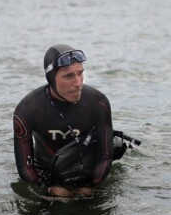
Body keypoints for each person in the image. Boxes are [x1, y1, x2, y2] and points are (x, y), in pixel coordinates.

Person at [13, 44, 115, 197]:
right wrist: (46, 188)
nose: (78, 83)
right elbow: (25, 168)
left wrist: (91, 185)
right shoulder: (28, 109)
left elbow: (105, 157)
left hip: (88, 170)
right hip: (47, 173)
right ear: (51, 78)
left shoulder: (97, 102)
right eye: (68, 76)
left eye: (80, 73)